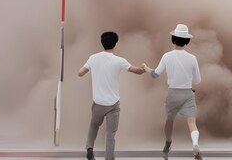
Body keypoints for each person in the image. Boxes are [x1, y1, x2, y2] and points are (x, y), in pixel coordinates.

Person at [78, 31, 145, 160]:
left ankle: (89, 147)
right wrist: (142, 69)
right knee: (110, 135)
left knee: (94, 125)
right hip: (113, 105)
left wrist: (87, 70)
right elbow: (136, 71)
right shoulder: (119, 61)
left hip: (98, 103)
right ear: (115, 44)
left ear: (102, 43)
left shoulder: (93, 58)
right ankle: (109, 158)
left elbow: (80, 73)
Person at [142, 24, 203, 160]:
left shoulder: (167, 56)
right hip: (188, 94)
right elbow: (198, 80)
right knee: (192, 123)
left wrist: (146, 68)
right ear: (187, 41)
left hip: (173, 94)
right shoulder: (192, 58)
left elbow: (155, 74)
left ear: (173, 39)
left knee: (169, 121)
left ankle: (168, 143)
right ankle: (195, 144)